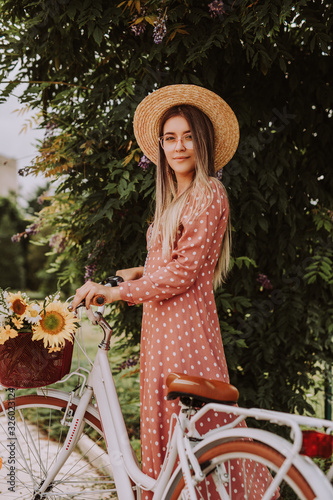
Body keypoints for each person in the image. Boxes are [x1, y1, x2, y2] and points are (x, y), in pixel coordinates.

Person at [72, 85, 276, 499]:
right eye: (169, 138)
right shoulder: (175, 198)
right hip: (161, 328)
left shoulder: (208, 193)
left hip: (185, 331)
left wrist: (116, 295)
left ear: (202, 142)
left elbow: (183, 274)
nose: (178, 146)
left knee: (196, 432)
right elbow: (168, 262)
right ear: (161, 146)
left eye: (187, 136)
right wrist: (129, 274)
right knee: (168, 428)